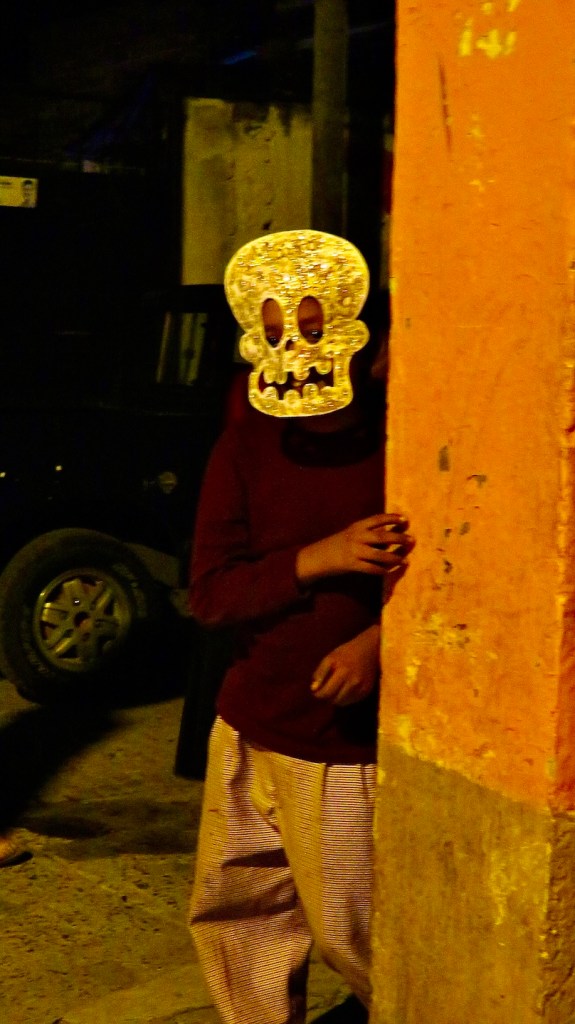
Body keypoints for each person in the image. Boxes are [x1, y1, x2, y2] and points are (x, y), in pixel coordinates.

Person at [187, 229, 413, 1024]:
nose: (297, 350)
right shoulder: (246, 445)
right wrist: (318, 558)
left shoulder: (402, 439)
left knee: (354, 931)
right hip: (252, 720)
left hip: (338, 747)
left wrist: (378, 644)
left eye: (314, 330)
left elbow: (460, 575)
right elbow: (211, 593)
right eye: (279, 332)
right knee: (236, 910)